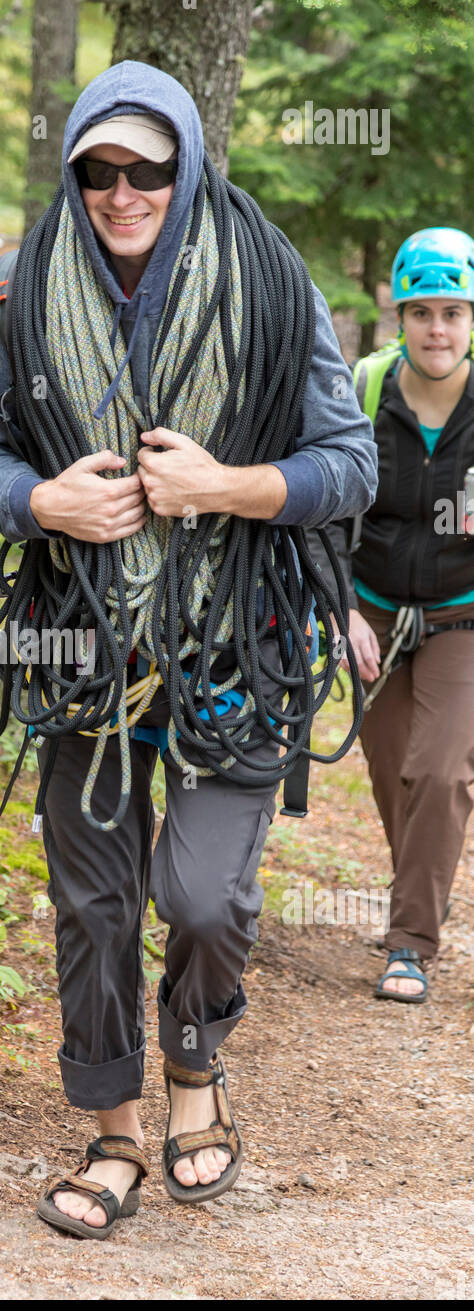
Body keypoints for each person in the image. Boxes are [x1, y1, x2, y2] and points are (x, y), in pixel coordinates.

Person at [0, 61, 377, 1238]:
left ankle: (197, 1067)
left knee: (197, 892)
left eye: (148, 168)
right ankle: (114, 1130)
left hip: (241, 640)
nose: (122, 191)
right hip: (75, 640)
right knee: (92, 904)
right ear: (74, 169)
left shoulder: (271, 280)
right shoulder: (20, 285)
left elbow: (348, 462)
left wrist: (225, 486)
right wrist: (43, 505)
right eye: (98, 168)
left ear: (186, 167)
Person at [306, 227, 474, 1005]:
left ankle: (409, 943)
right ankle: (421, 894)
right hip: (369, 611)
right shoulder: (364, 389)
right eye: (422, 313)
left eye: (453, 312)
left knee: (437, 772)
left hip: (460, 616)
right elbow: (321, 512)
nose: (437, 330)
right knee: (390, 774)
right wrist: (341, 610)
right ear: (400, 317)